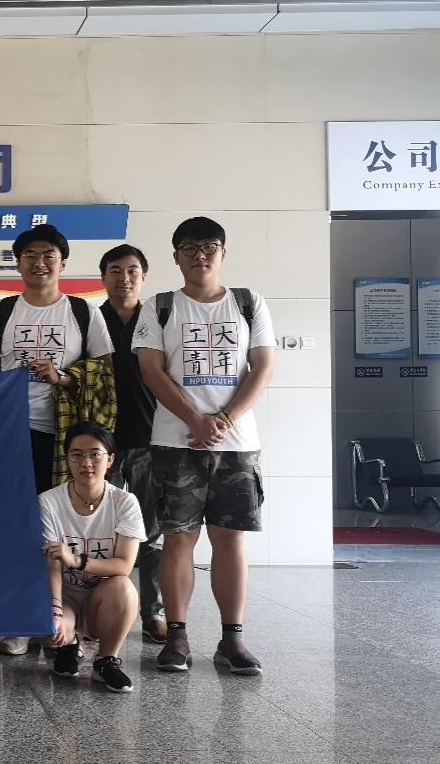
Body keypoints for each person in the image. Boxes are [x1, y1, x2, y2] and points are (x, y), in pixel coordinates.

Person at [133, 216, 276, 675]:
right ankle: (176, 637)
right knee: (178, 539)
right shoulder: (159, 307)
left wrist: (224, 420)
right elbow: (151, 370)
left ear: (223, 253)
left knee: (230, 541)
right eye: (190, 248)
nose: (200, 255)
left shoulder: (249, 303)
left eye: (210, 247)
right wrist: (195, 420)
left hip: (237, 445)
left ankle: (232, 640)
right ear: (176, 256)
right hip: (175, 442)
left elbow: (263, 367)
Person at [0, 224, 112, 657]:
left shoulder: (83, 312)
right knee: (18, 527)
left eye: (48, 254)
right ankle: (22, 618)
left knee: (65, 528)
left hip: (67, 438)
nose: (39, 262)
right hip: (11, 436)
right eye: (30, 255)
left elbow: (105, 373)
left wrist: (63, 377)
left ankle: (62, 620)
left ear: (62, 263)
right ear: (17, 264)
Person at [41, 421, 143, 693]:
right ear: (67, 459)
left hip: (103, 597)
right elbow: (51, 561)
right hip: (65, 595)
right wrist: (55, 611)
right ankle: (69, 645)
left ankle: (106, 660)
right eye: (77, 454)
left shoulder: (125, 502)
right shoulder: (48, 501)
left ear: (110, 460)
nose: (86, 462)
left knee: (124, 587)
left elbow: (124, 565)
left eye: (95, 454)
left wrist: (77, 561)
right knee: (46, 627)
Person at [98, 244, 166, 644]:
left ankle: (153, 612)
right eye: (115, 270)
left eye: (132, 271)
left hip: (149, 439)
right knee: (98, 531)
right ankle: (96, 610)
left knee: (150, 533)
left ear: (143, 277)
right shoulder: (91, 319)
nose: (124, 278)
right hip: (100, 444)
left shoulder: (158, 319)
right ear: (103, 276)